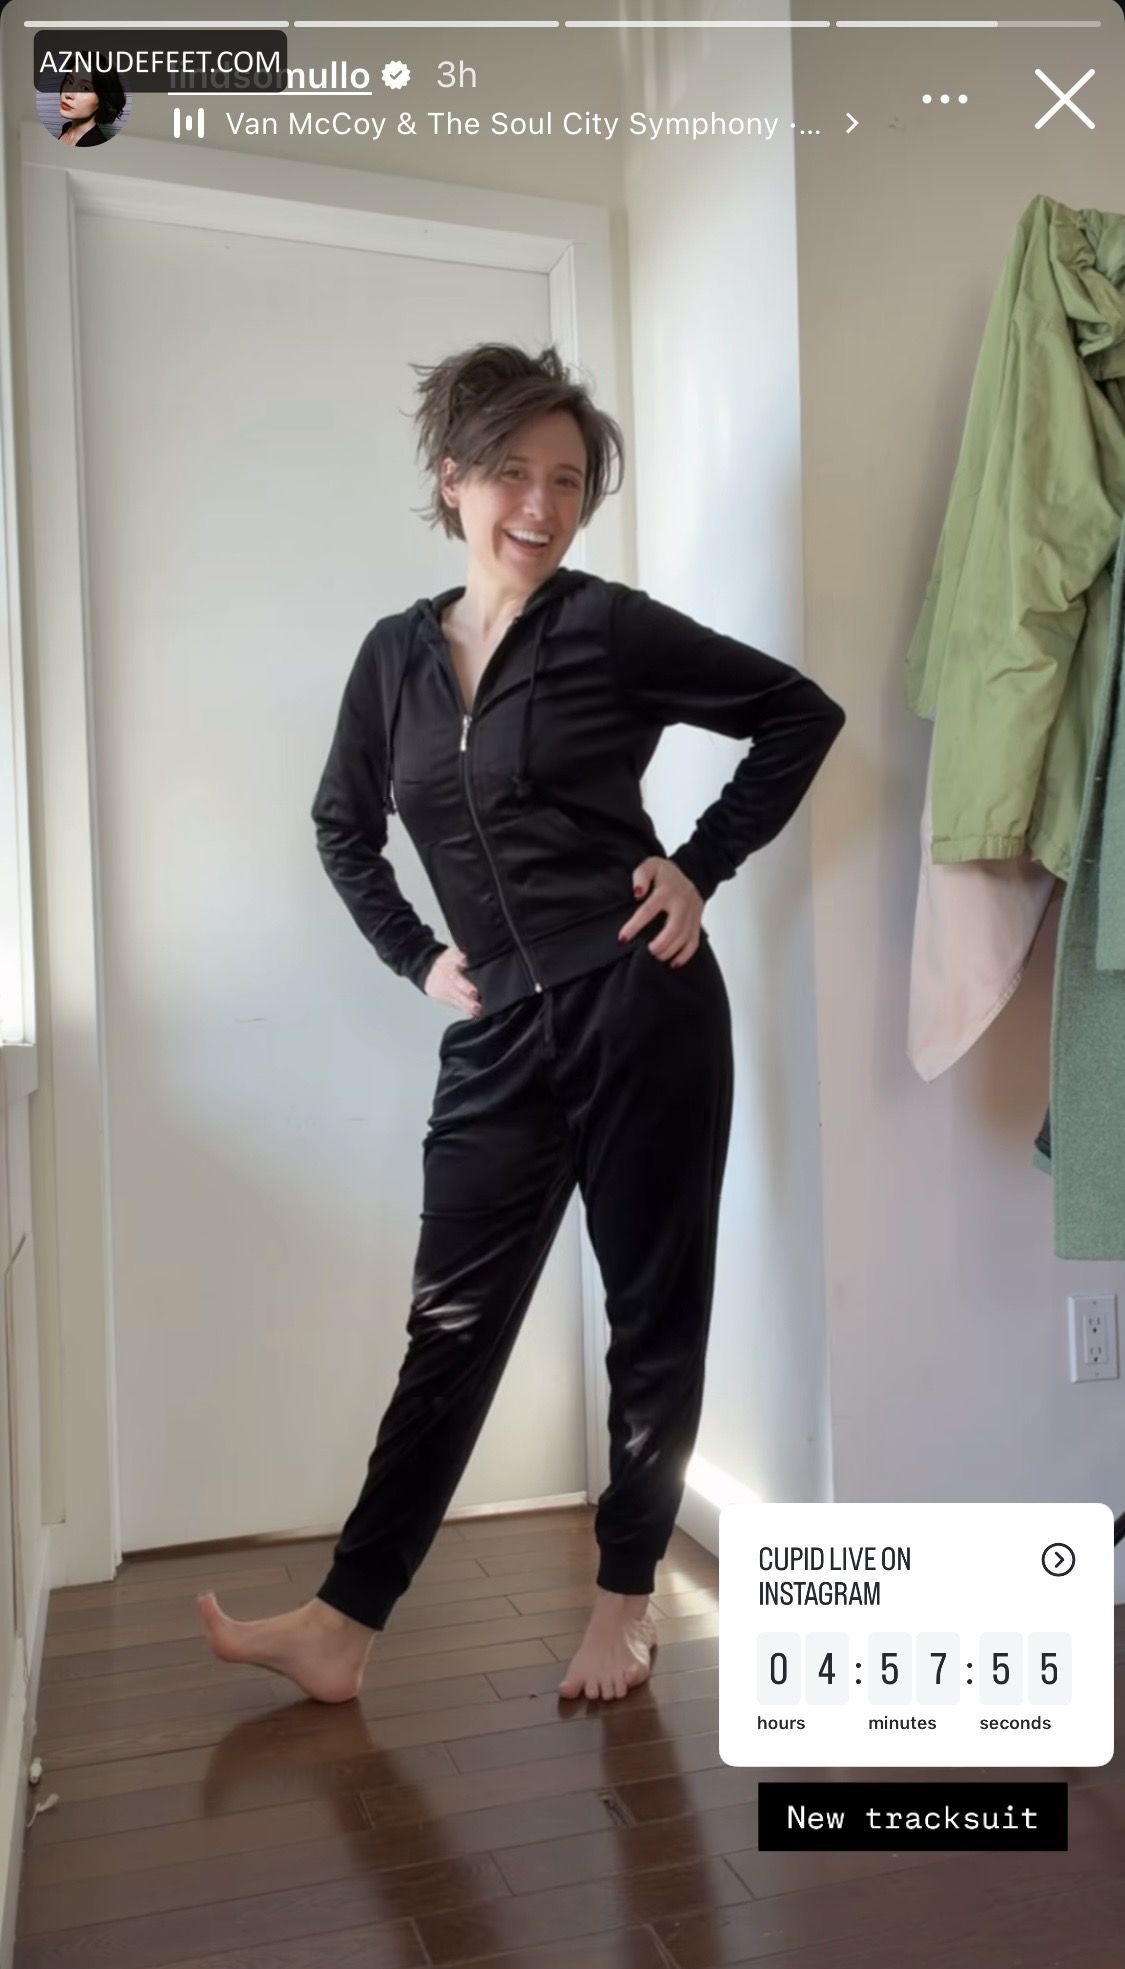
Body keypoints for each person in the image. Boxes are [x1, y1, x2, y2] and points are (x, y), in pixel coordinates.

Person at [198, 341, 846, 1704]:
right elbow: (341, 824)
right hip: (497, 1028)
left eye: (567, 480)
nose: (541, 506)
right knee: (450, 1324)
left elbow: (797, 714)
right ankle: (342, 1626)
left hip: (639, 1002)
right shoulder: (394, 658)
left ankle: (626, 1598)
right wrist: (415, 955)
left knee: (651, 1310)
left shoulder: (607, 629)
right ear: (452, 478)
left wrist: (698, 866)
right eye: (511, 472)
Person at [56, 72, 126, 147]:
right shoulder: (67, 127)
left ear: (103, 101)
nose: (68, 94)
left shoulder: (97, 145)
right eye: (70, 82)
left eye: (85, 88)